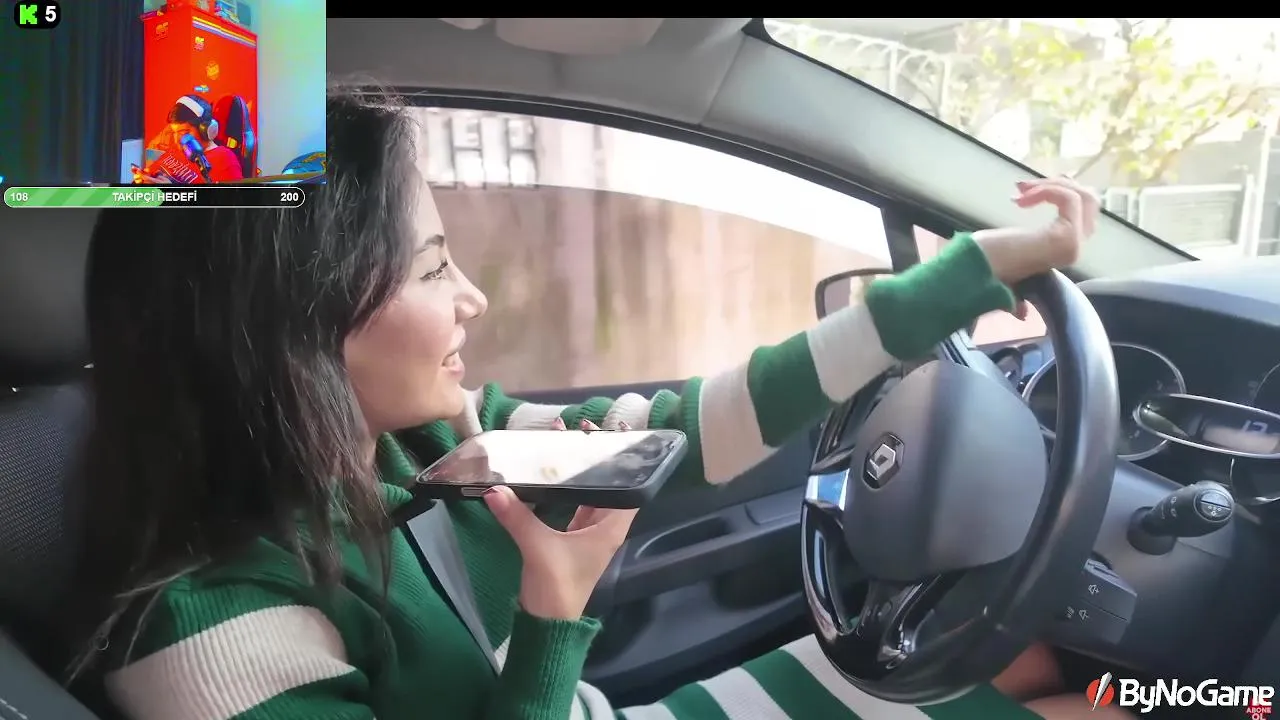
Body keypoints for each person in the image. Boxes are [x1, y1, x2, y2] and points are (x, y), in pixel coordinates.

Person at [64, 89, 1132, 720]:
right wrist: (551, 616)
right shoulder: (211, 632)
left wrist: (968, 274)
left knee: (1028, 657)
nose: (472, 298)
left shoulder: (433, 442)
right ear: (294, 328)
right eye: (432, 268)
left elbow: (691, 433)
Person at [138, 94, 244, 183]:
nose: (177, 140)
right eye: (174, 133)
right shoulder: (178, 148)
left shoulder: (225, 160)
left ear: (205, 130)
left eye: (183, 132)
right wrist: (148, 176)